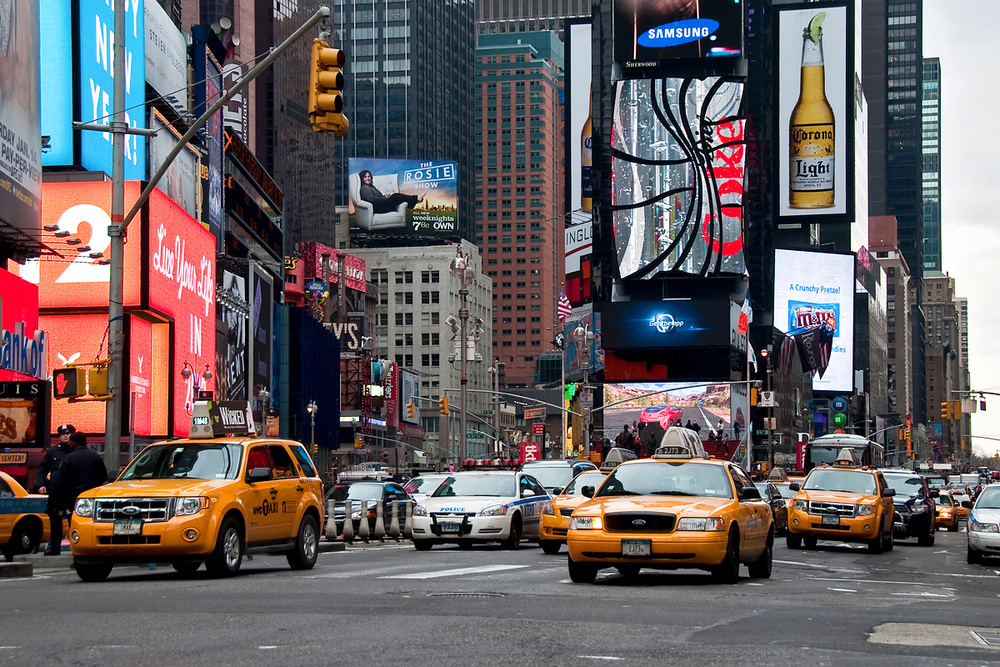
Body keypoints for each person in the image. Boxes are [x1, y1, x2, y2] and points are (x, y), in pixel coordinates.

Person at [45, 433, 108, 555]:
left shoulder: (69, 458)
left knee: (67, 521)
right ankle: (84, 547)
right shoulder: (95, 456)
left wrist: (55, 495)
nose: (69, 442)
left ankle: (54, 548)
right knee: (87, 522)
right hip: (90, 496)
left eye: (71, 441)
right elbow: (103, 476)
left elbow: (60, 479)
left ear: (75, 442)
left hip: (71, 496)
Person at [357, 170, 423, 213]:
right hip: (378, 208)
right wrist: (385, 198)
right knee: (395, 197)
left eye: (369, 176)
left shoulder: (371, 187)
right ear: (362, 179)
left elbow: (378, 196)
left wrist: (384, 196)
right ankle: (416, 198)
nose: (368, 178)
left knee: (395, 195)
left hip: (381, 204)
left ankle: (415, 200)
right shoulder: (364, 187)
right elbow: (371, 199)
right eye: (365, 177)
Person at [34, 424, 75, 494]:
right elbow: (43, 469)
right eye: (62, 434)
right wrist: (41, 485)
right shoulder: (53, 451)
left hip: (74, 487)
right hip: (56, 488)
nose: (65, 436)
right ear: (59, 437)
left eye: (68, 433)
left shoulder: (77, 450)